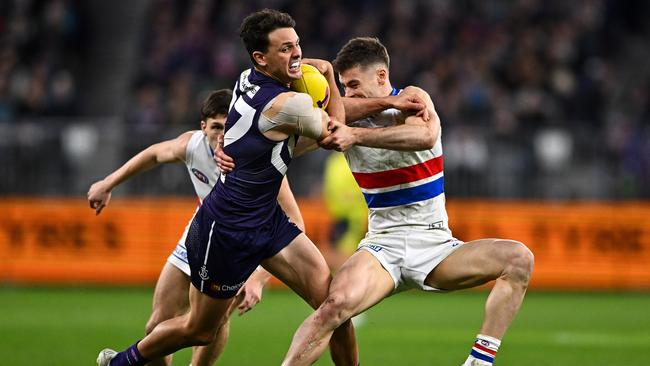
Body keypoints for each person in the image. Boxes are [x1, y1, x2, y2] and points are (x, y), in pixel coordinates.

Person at [95, 9, 363, 366]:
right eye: (285, 49)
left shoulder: (245, 78)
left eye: (297, 45)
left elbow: (260, 130)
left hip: (267, 219)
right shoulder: (288, 105)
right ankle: (122, 362)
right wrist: (326, 74)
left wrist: (231, 145)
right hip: (227, 230)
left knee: (336, 307)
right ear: (261, 58)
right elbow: (338, 132)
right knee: (199, 329)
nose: (297, 53)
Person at [281, 37, 534, 366]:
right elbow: (288, 148)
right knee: (333, 307)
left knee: (518, 259)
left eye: (355, 84)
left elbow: (424, 136)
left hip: (435, 243)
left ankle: (478, 362)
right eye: (344, 87)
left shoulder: (412, 99)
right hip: (381, 246)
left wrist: (354, 134)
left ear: (382, 77)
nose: (350, 94)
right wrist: (305, 116)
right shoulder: (341, 118)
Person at [88, 89, 304, 366]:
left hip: (241, 246)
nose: (222, 135)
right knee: (156, 327)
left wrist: (258, 278)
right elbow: (155, 154)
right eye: (216, 127)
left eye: (229, 127)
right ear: (203, 127)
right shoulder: (193, 145)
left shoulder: (256, 160)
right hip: (201, 233)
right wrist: (108, 184)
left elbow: (296, 222)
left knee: (210, 325)